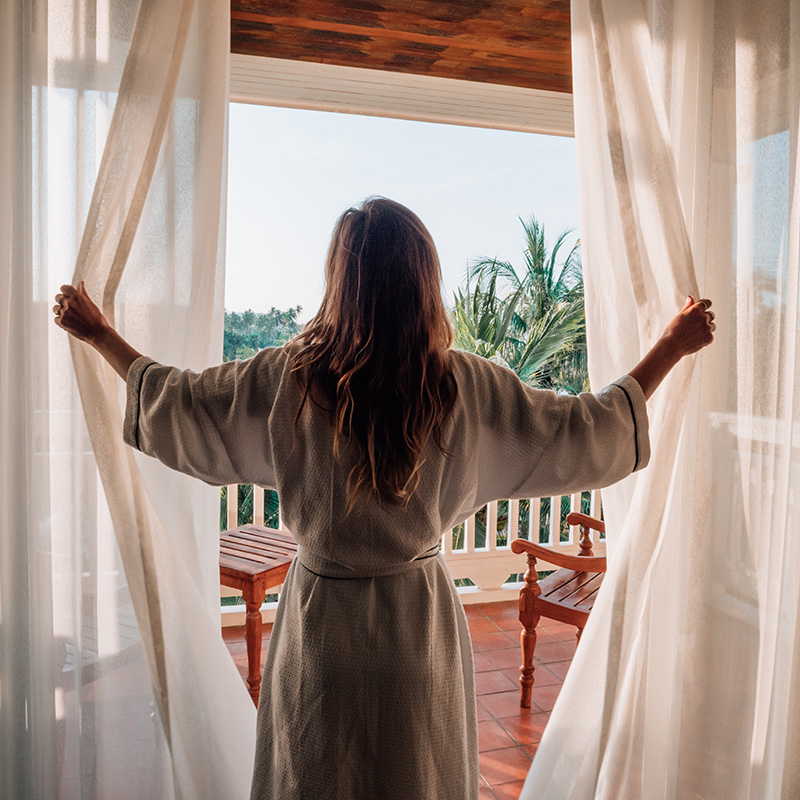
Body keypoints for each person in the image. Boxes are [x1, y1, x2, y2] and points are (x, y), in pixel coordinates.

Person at [54, 197, 715, 799]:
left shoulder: (288, 379)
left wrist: (99, 333)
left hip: (321, 629)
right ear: (425, 281)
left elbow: (186, 403)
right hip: (414, 628)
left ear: (340, 282)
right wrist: (669, 347)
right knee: (413, 775)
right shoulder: (467, 388)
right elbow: (581, 428)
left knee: (313, 774)